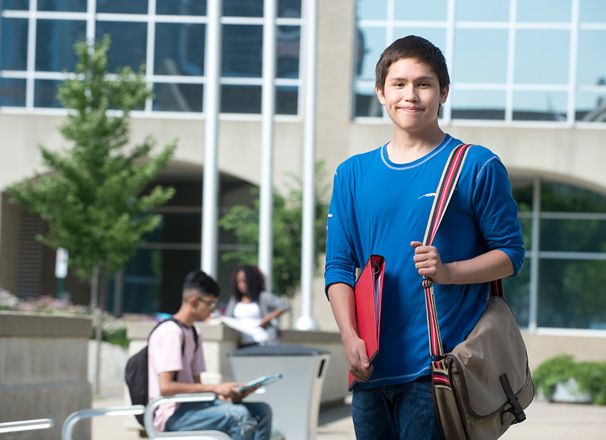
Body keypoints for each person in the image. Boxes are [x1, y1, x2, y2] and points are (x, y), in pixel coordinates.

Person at [324, 35, 525, 439]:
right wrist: (349, 337)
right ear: (381, 92)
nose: (410, 95)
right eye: (398, 84)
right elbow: (340, 266)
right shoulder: (352, 173)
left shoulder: (475, 165)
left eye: (423, 83)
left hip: (438, 371)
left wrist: (448, 271)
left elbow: (511, 254)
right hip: (370, 370)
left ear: (443, 92)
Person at [148, 269, 272, 440]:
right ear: (194, 302)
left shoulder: (194, 332)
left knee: (262, 411)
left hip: (192, 408)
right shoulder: (171, 332)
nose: (213, 311)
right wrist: (215, 388)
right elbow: (166, 387)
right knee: (239, 415)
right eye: (211, 304)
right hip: (171, 415)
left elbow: (197, 387)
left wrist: (226, 395)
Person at [224, 265, 291, 347]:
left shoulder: (262, 296)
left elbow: (284, 306)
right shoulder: (235, 299)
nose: (242, 285)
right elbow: (228, 318)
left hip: (263, 341)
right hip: (243, 343)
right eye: (239, 282)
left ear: (252, 281)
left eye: (245, 281)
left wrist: (265, 320)